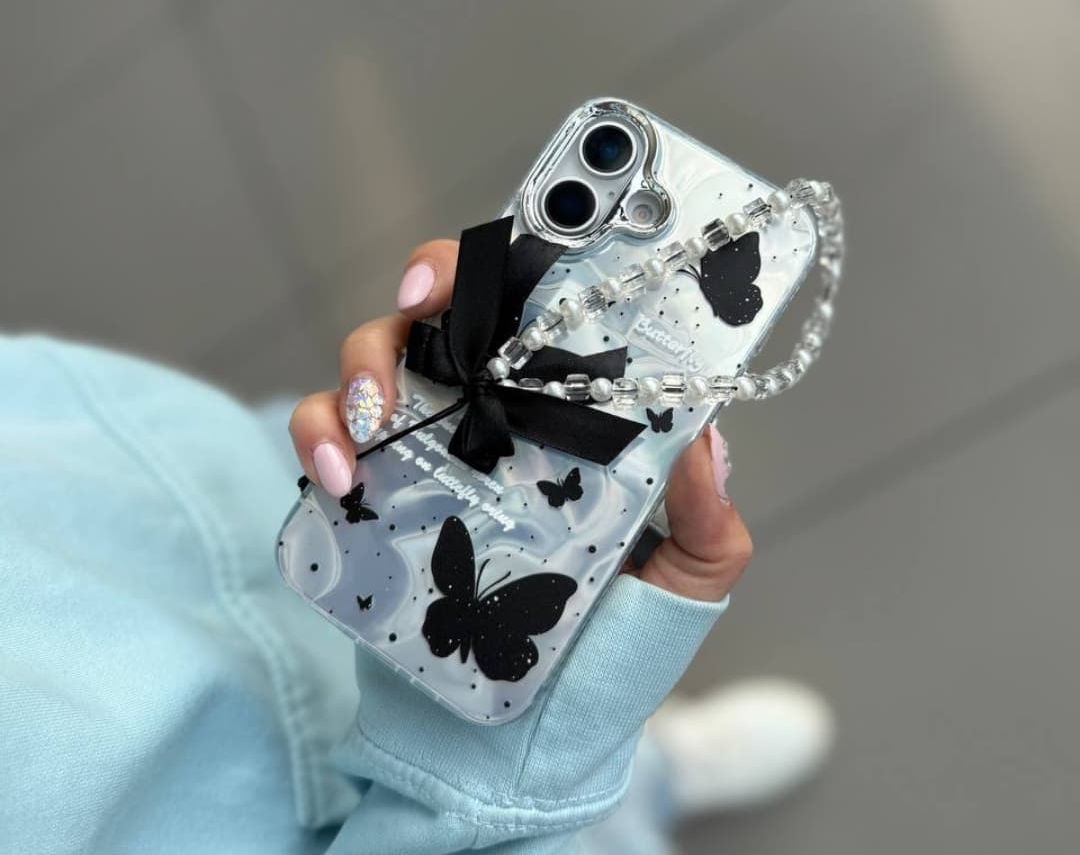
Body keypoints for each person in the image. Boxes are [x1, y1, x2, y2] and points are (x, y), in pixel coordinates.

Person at [0, 239, 832, 855]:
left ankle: (624, 756)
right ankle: (644, 777)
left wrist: (405, 431)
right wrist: (517, 779)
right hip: (360, 812)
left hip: (272, 529)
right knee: (571, 781)